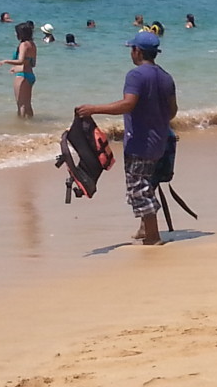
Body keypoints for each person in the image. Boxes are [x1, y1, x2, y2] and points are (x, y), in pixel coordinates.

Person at [75, 31, 177, 246]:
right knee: (146, 182)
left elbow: (128, 104)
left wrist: (94, 109)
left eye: (132, 49)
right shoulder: (166, 76)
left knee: (138, 188)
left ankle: (153, 236)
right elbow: (173, 110)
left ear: (137, 51)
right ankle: (144, 228)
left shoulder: (136, 75)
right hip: (159, 142)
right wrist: (156, 123)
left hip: (140, 143)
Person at [0, 22, 37, 117]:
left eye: (17, 32)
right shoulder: (32, 44)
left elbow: (21, 60)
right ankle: (30, 126)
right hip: (30, 75)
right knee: (28, 105)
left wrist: (6, 61)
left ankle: (22, 126)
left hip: (22, 76)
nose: (15, 34)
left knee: (21, 105)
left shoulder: (23, 45)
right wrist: (16, 68)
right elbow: (33, 64)